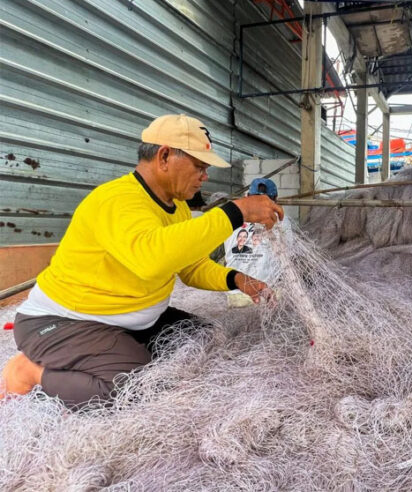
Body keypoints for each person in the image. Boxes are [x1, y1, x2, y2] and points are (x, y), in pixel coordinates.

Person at [0, 114, 284, 407]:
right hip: (66, 322)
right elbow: (152, 258)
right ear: (164, 156)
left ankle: (110, 351)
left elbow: (191, 266)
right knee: (132, 387)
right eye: (199, 166)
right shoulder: (117, 200)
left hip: (131, 318)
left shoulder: (179, 208)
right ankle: (29, 372)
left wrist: (236, 280)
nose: (205, 176)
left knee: (200, 338)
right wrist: (235, 213)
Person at [224, 178, 290, 308]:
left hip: (237, 293)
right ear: (275, 199)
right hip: (269, 293)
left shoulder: (231, 217)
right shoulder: (282, 220)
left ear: (247, 196)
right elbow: (288, 252)